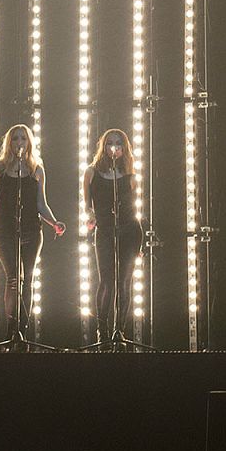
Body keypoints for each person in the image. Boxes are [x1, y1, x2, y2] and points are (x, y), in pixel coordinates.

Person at [0, 124, 66, 345]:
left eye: (23, 139)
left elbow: (40, 204)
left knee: (28, 280)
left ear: (29, 142)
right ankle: (10, 329)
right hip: (5, 230)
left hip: (32, 230)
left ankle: (22, 331)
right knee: (14, 278)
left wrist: (54, 222)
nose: (19, 143)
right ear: (9, 142)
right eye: (15, 139)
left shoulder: (36, 170)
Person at [82, 129, 143, 345]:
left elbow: (135, 208)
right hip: (105, 230)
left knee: (124, 282)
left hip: (129, 230)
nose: (114, 147)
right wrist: (91, 217)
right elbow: (87, 205)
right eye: (110, 143)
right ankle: (103, 330)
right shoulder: (91, 172)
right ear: (103, 147)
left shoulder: (131, 176)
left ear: (124, 148)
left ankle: (120, 330)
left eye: (118, 143)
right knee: (107, 281)